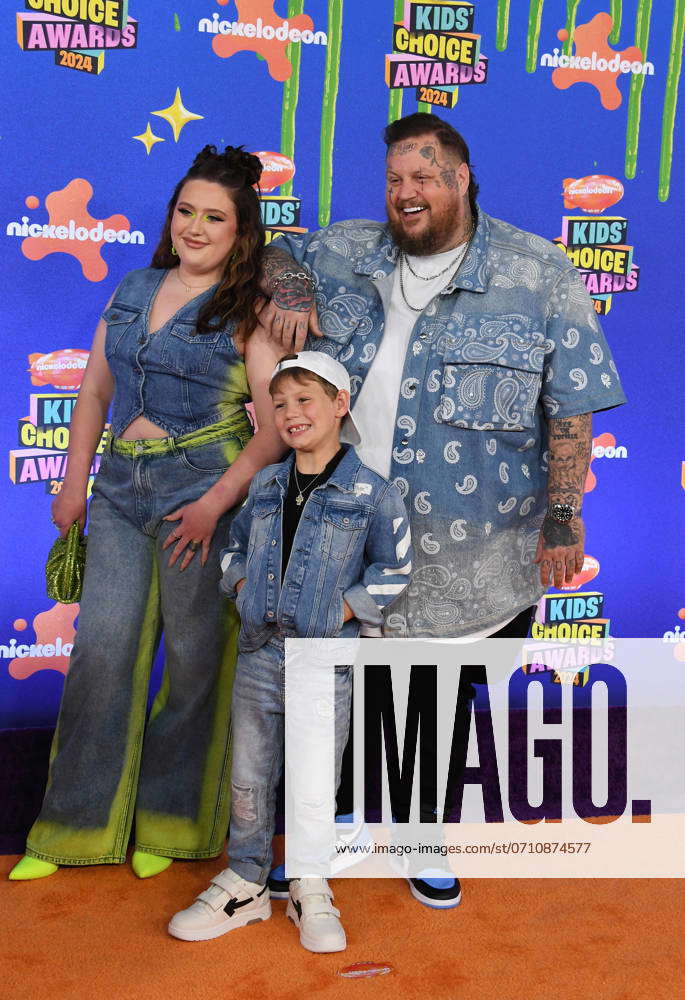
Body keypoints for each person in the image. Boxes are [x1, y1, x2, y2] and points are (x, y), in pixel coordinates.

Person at [257, 112, 627, 907]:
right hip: (345, 530)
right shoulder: (346, 250)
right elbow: (273, 248)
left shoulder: (539, 272)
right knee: (338, 681)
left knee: (437, 690)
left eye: (422, 178)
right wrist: (285, 283)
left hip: (471, 550)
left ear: (461, 180)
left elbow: (571, 407)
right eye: (394, 179)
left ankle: (421, 831)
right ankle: (335, 826)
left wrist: (564, 515)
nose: (404, 194)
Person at [9, 146, 285, 881]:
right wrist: (73, 484)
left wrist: (212, 505)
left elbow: (274, 427)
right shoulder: (134, 285)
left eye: (215, 217)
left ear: (240, 231)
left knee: (196, 662)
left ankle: (175, 824)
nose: (196, 226)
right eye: (186, 210)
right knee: (100, 653)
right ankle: (71, 830)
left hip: (204, 492)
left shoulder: (247, 306)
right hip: (120, 493)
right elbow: (95, 393)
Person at [168, 352, 412, 951]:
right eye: (278, 404)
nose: (290, 413)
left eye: (305, 400)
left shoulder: (370, 493)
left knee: (312, 780)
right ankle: (246, 882)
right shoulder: (268, 484)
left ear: (340, 404)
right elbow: (234, 549)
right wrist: (245, 585)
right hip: (257, 652)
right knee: (249, 776)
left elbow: (395, 568)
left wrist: (343, 609)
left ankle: (309, 884)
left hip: (322, 660)